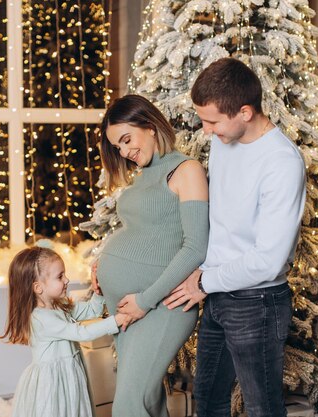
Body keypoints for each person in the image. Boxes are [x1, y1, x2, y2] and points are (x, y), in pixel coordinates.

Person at [163, 57, 307, 417]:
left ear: (245, 111)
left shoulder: (281, 162)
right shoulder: (224, 139)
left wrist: (206, 282)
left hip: (256, 303)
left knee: (262, 407)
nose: (206, 130)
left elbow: (268, 259)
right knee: (208, 400)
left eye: (212, 121)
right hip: (216, 294)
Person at [91, 94, 209, 416]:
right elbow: (141, 232)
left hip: (161, 306)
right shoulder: (142, 177)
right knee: (147, 400)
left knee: (131, 403)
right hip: (130, 307)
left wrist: (145, 301)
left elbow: (196, 246)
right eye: (117, 147)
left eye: (127, 139)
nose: (125, 152)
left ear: (150, 126)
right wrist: (102, 262)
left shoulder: (187, 170)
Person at [0, 245, 127, 417]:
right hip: (52, 381)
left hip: (68, 374)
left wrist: (98, 291)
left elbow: (92, 310)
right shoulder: (41, 318)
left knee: (72, 408)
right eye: (60, 276)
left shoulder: (60, 305)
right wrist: (117, 320)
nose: (66, 280)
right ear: (38, 287)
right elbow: (81, 333)